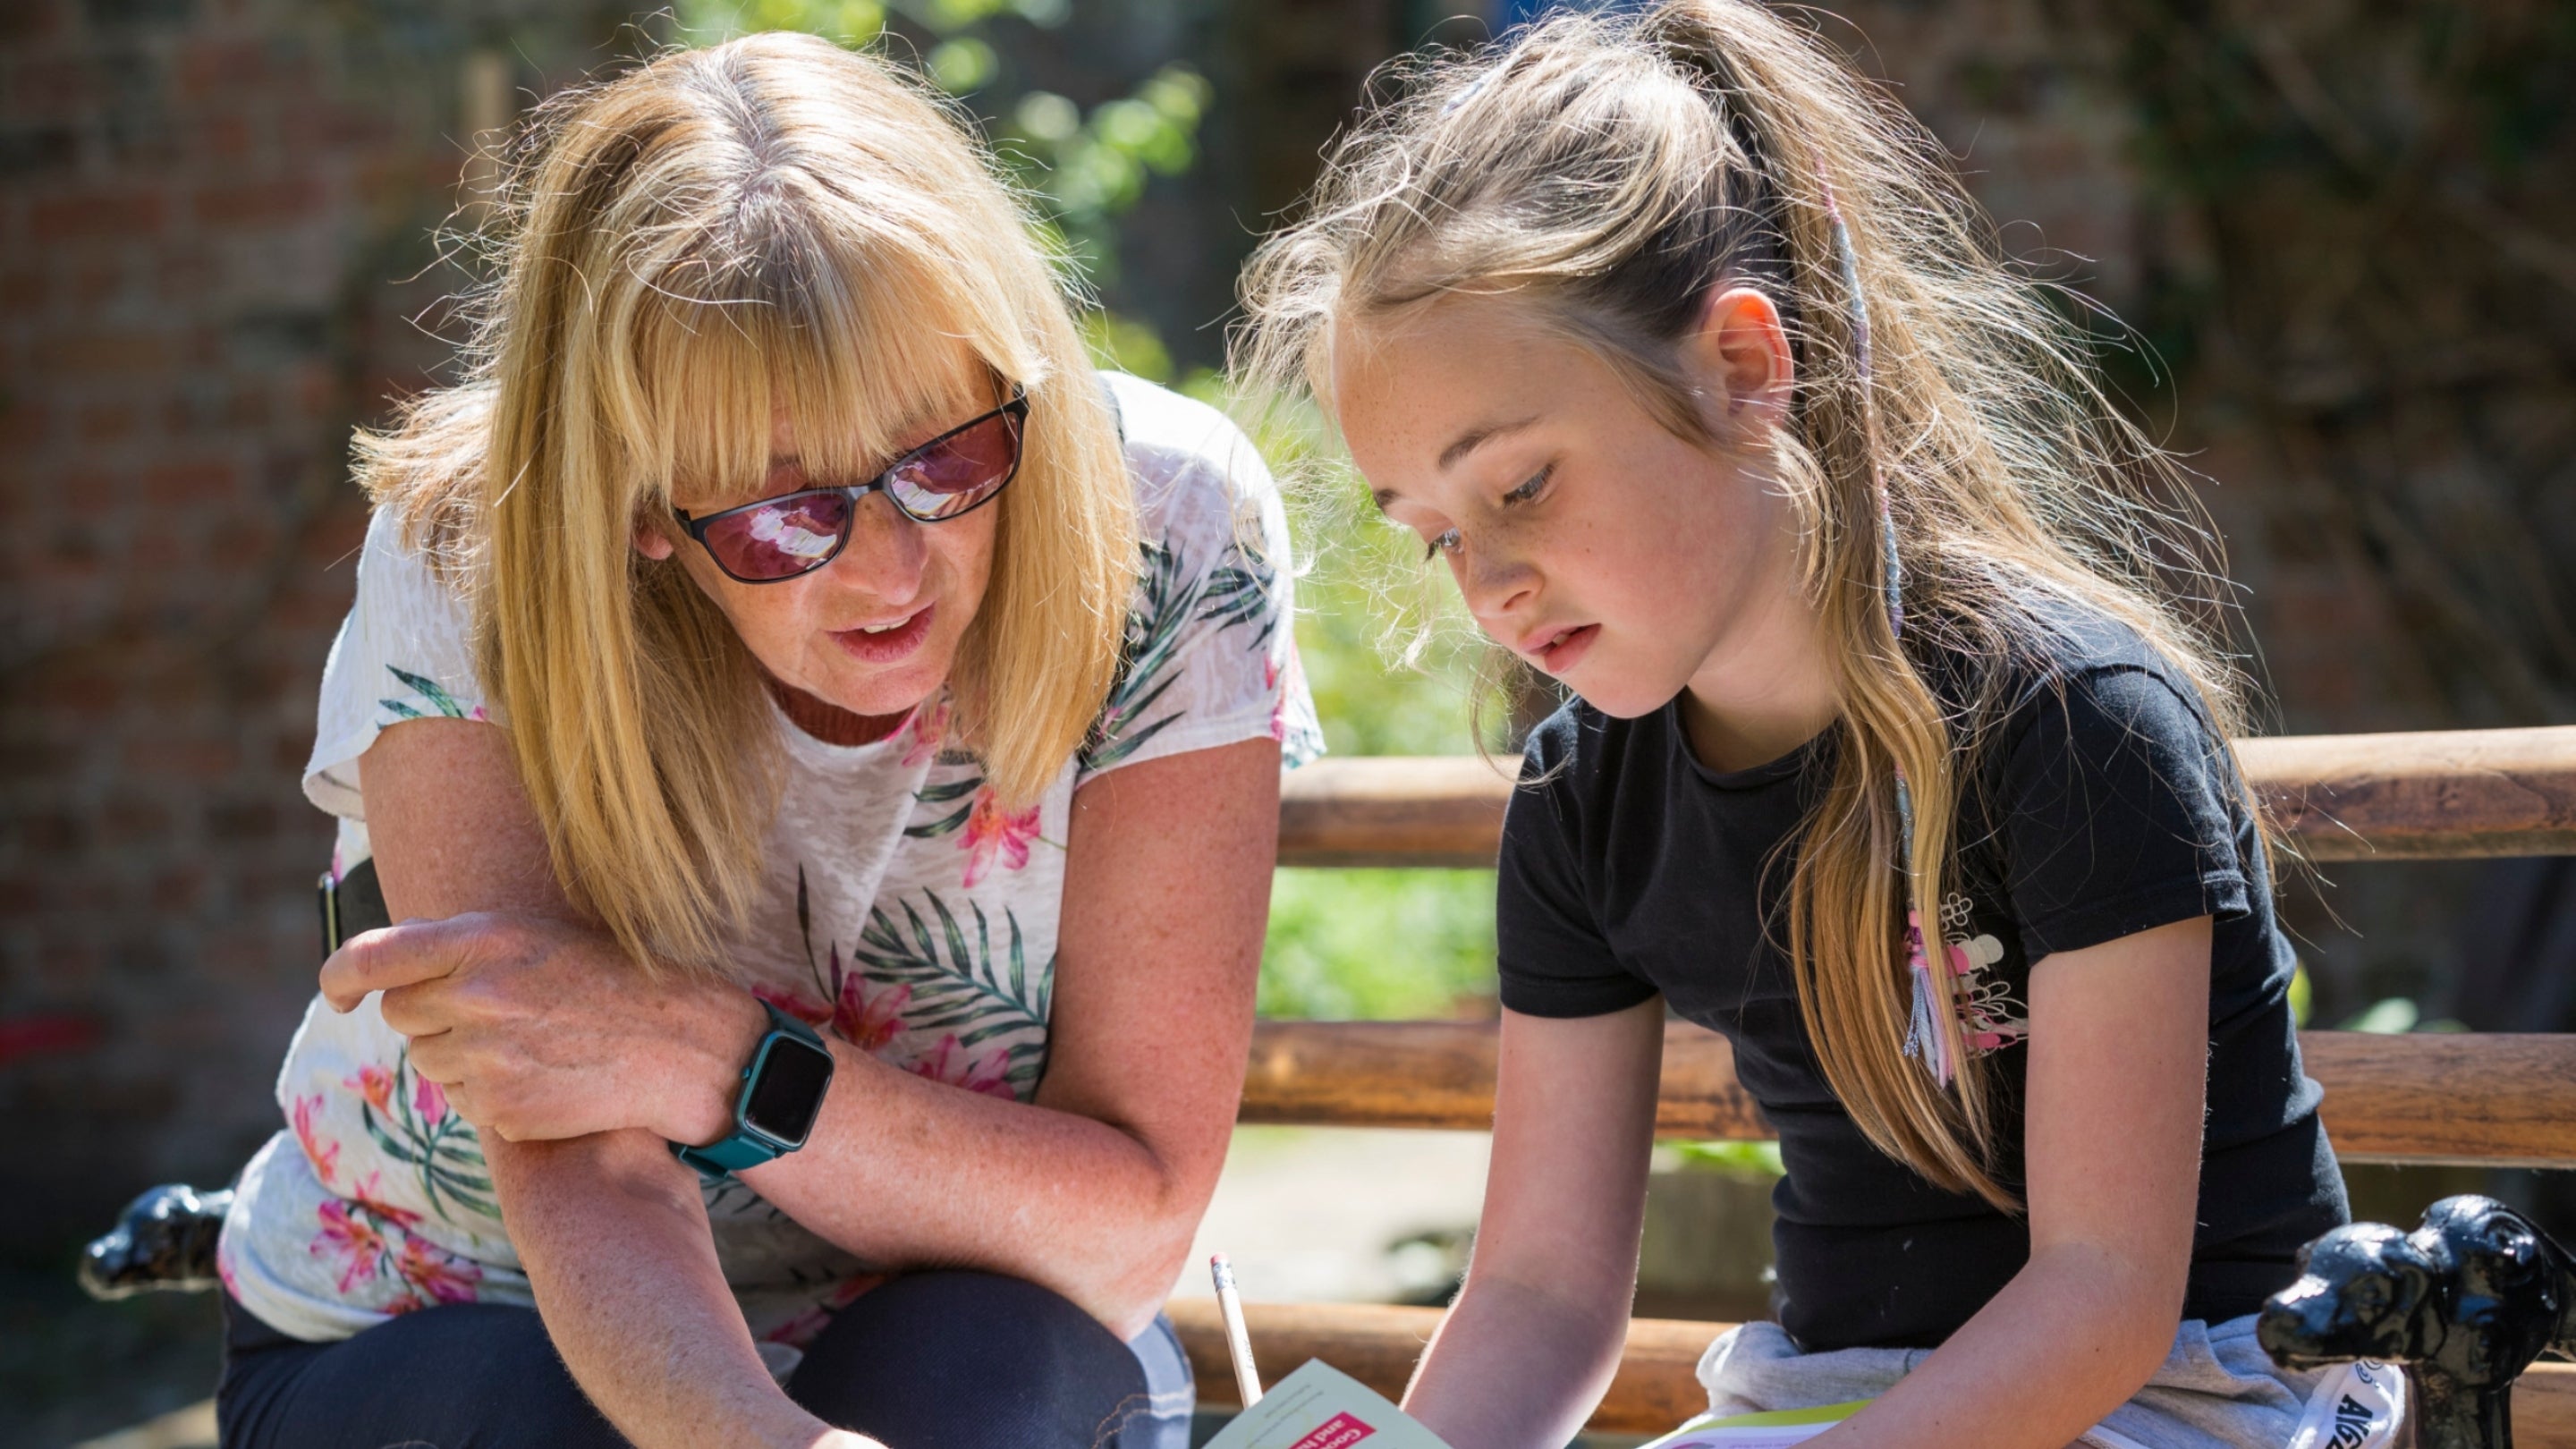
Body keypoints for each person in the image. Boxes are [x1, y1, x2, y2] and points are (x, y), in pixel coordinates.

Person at [1236, 4, 2376, 1446]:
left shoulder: (2074, 724)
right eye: (1434, 532)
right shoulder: (1583, 805)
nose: (1487, 583)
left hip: (2205, 1392)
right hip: (1847, 1404)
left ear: (1739, 368)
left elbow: (2103, 1298)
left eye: (1520, 487)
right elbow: (1536, 1290)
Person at [212, 32, 1320, 1449]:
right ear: (637, 509)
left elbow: (1134, 1216)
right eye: (787, 516)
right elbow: (587, 1173)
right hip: (461, 1315)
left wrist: (717, 1064)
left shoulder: (1164, 521)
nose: (891, 571)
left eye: (946, 456)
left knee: (982, 1381)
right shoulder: (479, 545)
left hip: (975, 1311)